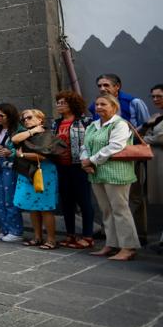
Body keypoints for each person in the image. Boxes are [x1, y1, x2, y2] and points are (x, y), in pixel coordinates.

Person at [89, 73, 150, 242]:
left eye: (106, 85)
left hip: (129, 156)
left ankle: (138, 235)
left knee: (133, 197)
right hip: (104, 159)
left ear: (117, 87)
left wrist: (122, 138)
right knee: (108, 202)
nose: (102, 89)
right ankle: (112, 236)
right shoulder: (95, 105)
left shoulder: (134, 103)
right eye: (100, 86)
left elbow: (146, 128)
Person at [82, 94, 139, 261]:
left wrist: (90, 160)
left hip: (117, 173)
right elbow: (85, 146)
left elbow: (115, 146)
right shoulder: (93, 125)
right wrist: (84, 161)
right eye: (97, 104)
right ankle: (111, 243)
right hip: (96, 172)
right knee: (106, 210)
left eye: (103, 104)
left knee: (120, 210)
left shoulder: (120, 124)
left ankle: (128, 247)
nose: (99, 107)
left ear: (114, 107)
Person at [12, 109, 64, 249]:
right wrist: (32, 132)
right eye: (23, 119)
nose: (26, 121)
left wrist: (22, 155)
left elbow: (43, 156)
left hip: (43, 173)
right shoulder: (26, 135)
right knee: (32, 207)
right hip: (28, 172)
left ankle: (51, 240)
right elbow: (14, 139)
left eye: (29, 117)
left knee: (45, 207)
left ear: (40, 119)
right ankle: (37, 237)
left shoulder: (47, 135)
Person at [53, 91, 96, 249]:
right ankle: (70, 235)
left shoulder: (85, 122)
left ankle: (88, 236)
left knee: (84, 201)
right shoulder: (56, 123)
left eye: (63, 102)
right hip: (62, 166)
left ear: (72, 104)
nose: (59, 105)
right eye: (58, 102)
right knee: (67, 202)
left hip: (79, 166)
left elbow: (90, 143)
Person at [0, 103, 24, 242]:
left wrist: (11, 152)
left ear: (9, 116)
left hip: (11, 166)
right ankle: (4, 229)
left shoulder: (19, 129)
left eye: (1, 116)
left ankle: (16, 230)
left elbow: (24, 148)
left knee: (9, 199)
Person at [143, 84, 163, 205]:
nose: (155, 99)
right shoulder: (157, 116)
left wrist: (143, 139)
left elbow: (161, 138)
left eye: (159, 96)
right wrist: (148, 124)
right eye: (153, 96)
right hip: (156, 161)